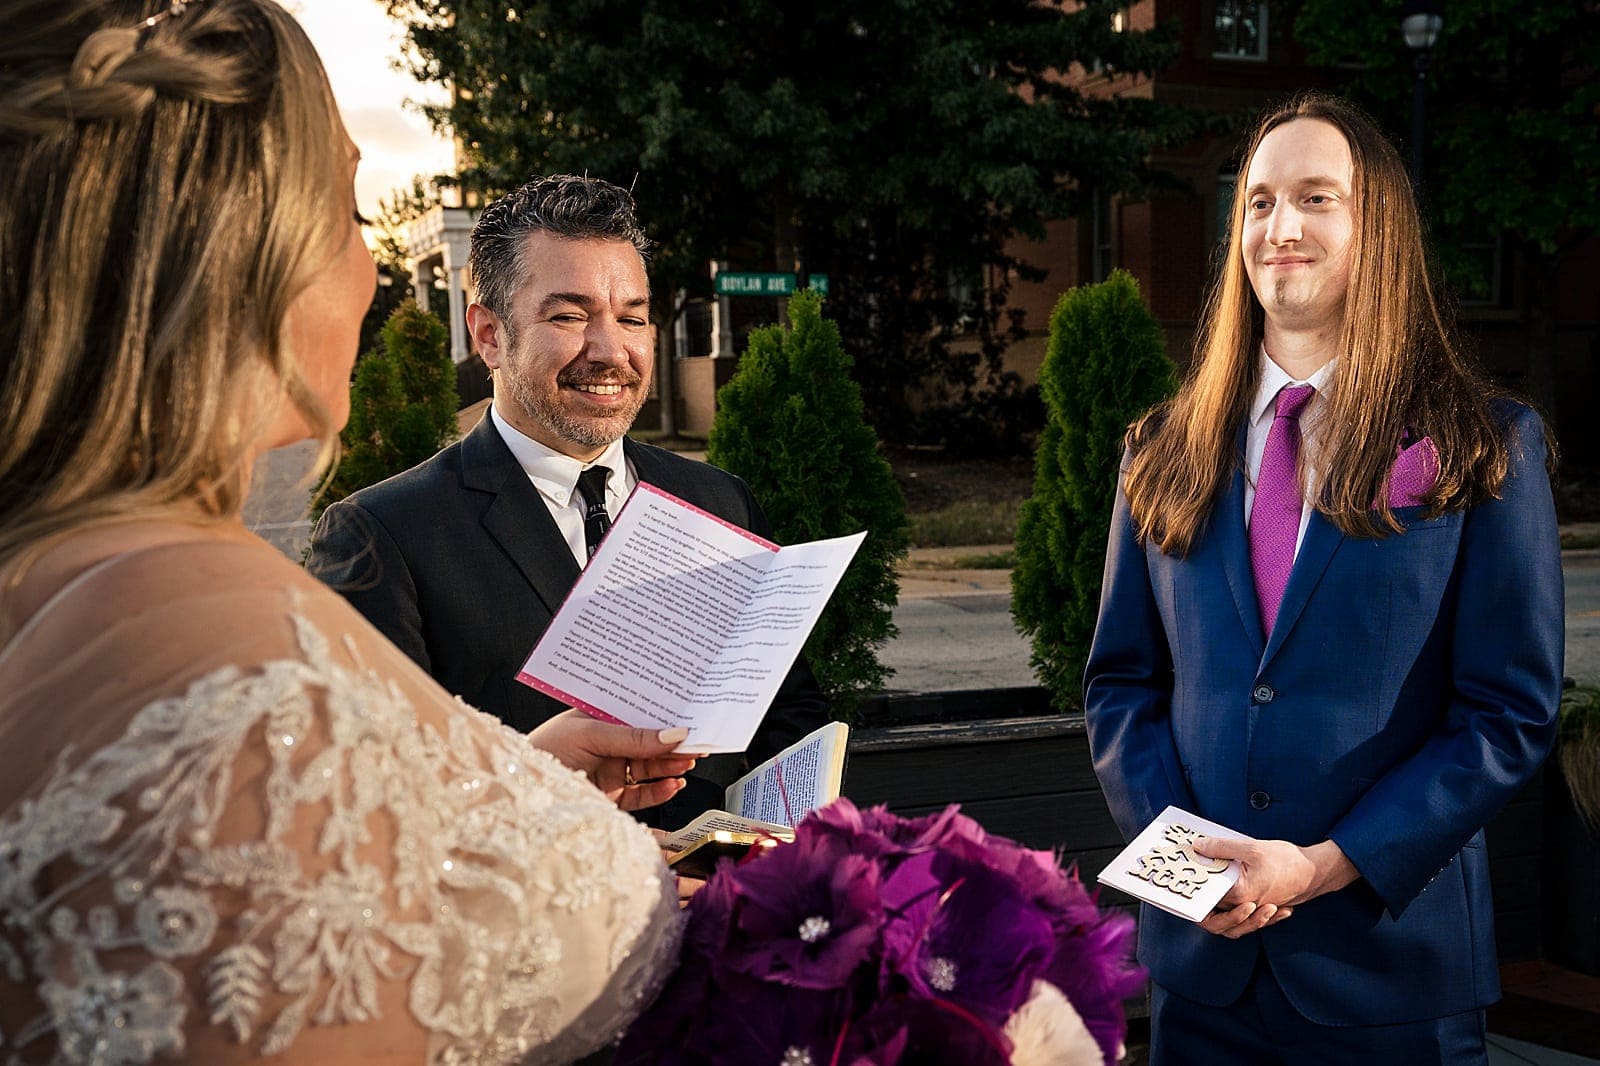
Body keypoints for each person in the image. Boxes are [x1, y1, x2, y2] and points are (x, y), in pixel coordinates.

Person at [0, 2, 698, 1061]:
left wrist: (516, 783)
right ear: (243, 267)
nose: (371, 272)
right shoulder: (257, 655)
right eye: (350, 215)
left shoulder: (52, 580)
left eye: (631, 314)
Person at [1083, 92, 1563, 1064]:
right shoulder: (1160, 448)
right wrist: (1188, 875)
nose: (1281, 227)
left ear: (1375, 227)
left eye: (1315, 197)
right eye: (1258, 201)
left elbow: (1507, 713)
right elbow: (1121, 686)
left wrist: (1318, 867)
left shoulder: (1484, 444)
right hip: (1201, 975)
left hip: (1392, 970)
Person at [305, 174, 830, 832]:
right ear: (489, 335)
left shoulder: (720, 500)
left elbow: (786, 715)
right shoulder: (383, 534)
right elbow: (363, 799)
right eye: (569, 316)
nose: (610, 352)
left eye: (631, 318)